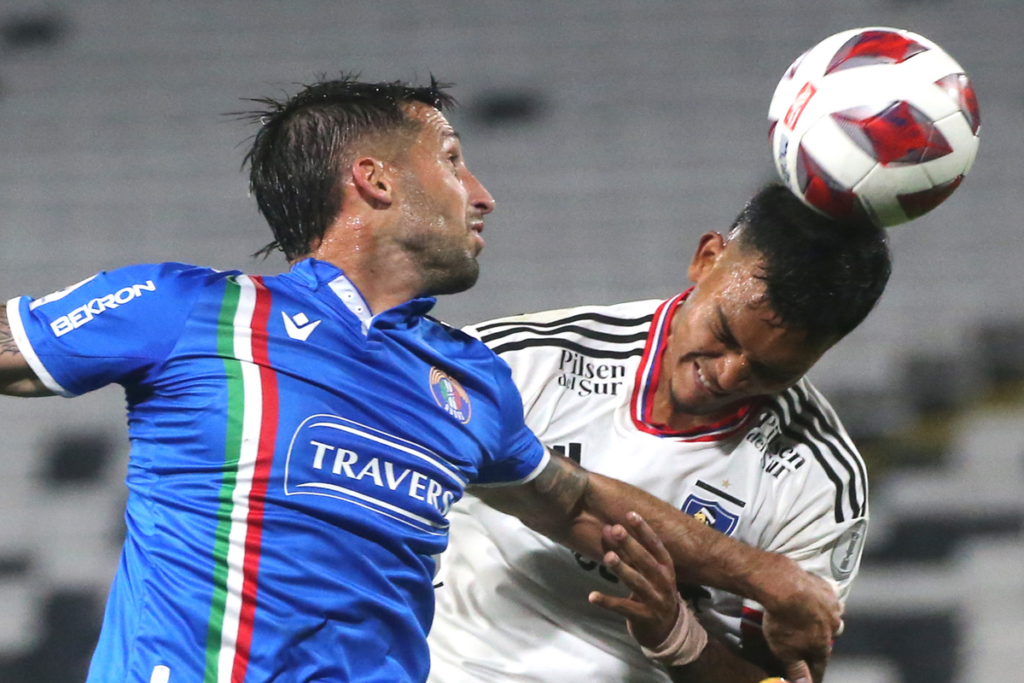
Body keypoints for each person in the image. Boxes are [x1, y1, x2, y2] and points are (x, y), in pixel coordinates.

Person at [0, 77, 840, 683]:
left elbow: (580, 505)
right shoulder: (188, 310)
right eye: (453, 159)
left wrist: (763, 575)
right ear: (374, 179)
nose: (483, 195)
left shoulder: (466, 381)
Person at [427, 184, 891, 683]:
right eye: (724, 334)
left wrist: (679, 640)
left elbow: (779, 678)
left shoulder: (819, 481)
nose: (729, 375)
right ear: (707, 259)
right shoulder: (520, 361)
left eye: (772, 370)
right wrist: (759, 572)